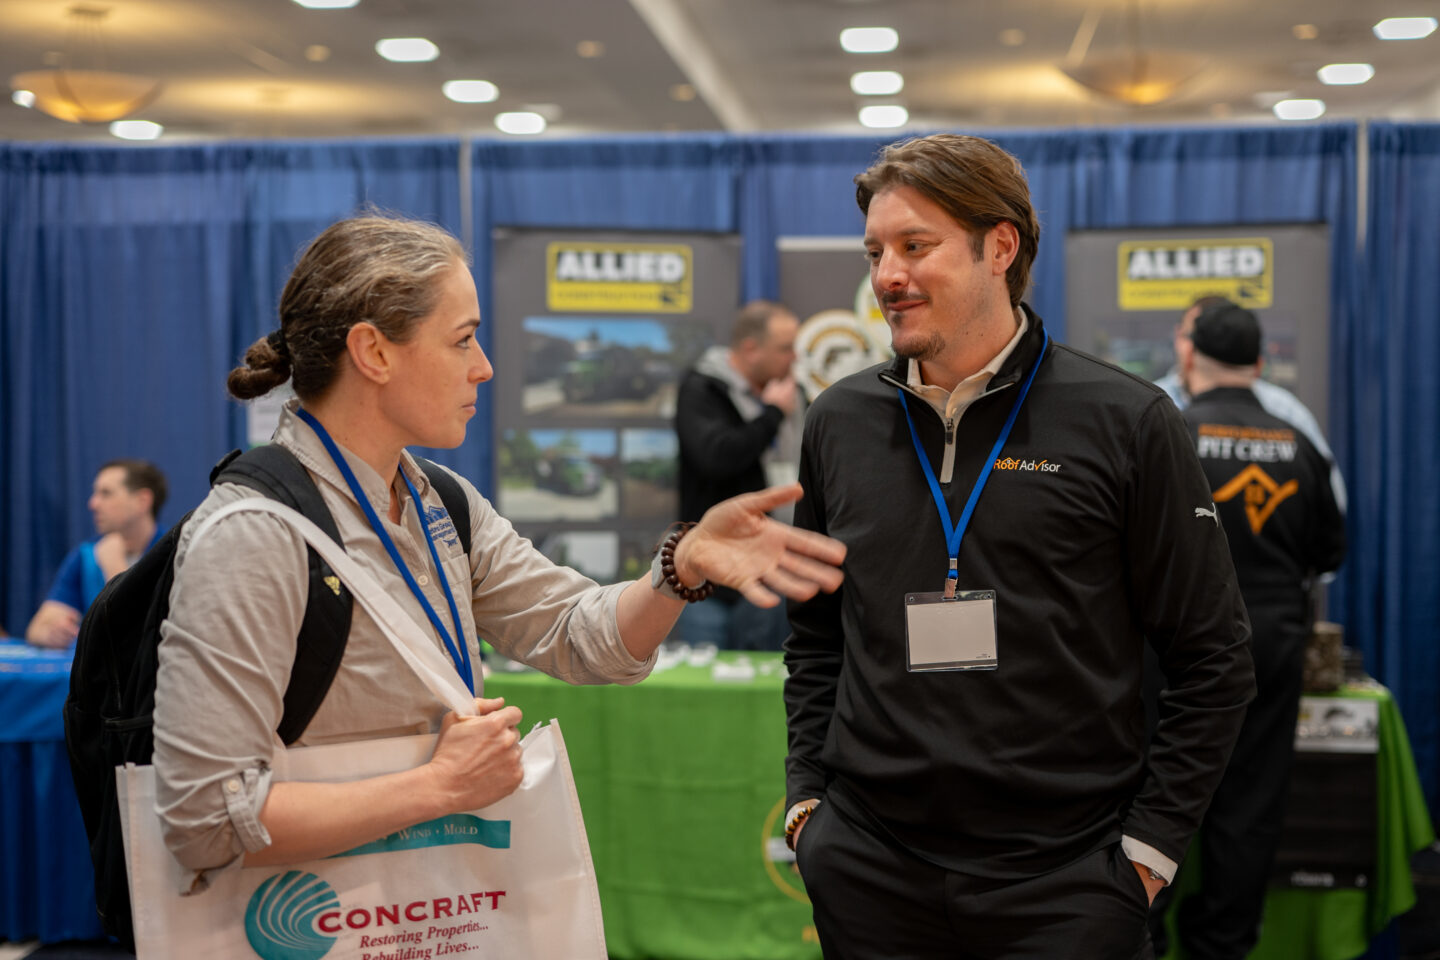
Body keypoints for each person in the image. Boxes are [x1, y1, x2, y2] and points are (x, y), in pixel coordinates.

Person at [150, 214, 846, 885]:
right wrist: (437, 786)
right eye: (462, 340)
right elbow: (204, 817)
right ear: (374, 352)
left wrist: (679, 567)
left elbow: (582, 639)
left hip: (425, 910)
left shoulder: (441, 504)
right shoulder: (251, 534)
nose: (483, 368)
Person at [782, 134, 1256, 959]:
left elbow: (1214, 656)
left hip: (1068, 880)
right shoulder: (838, 423)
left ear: (999, 246)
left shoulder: (1126, 420)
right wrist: (807, 809)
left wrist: (1146, 853)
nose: (886, 275)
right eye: (875, 252)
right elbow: (817, 638)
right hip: (870, 867)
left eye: (914, 246)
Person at [1148, 302, 1346, 959]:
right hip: (1270, 642)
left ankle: (1141, 936)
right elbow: (1330, 551)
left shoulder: (1166, 431)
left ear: (1188, 355)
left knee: (1156, 793)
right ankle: (1222, 947)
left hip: (1172, 647)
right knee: (1252, 807)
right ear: (1259, 362)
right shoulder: (1298, 442)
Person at [675, 299, 803, 650]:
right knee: (708, 689)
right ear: (750, 349)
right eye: (785, 349)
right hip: (708, 583)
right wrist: (772, 414)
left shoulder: (792, 395)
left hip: (768, 573)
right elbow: (717, 456)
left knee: (766, 685)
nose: (794, 359)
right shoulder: (702, 390)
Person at [1155, 295, 1346, 514]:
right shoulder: (1152, 406)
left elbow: (1331, 498)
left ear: (1191, 354)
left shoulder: (1285, 410)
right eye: (1191, 335)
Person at [25, 459, 167, 648]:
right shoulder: (86, 555)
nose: (93, 503)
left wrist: (115, 569)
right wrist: (52, 634)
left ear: (142, 501)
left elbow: (148, 633)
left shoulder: (174, 553)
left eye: (106, 494)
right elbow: (36, 629)